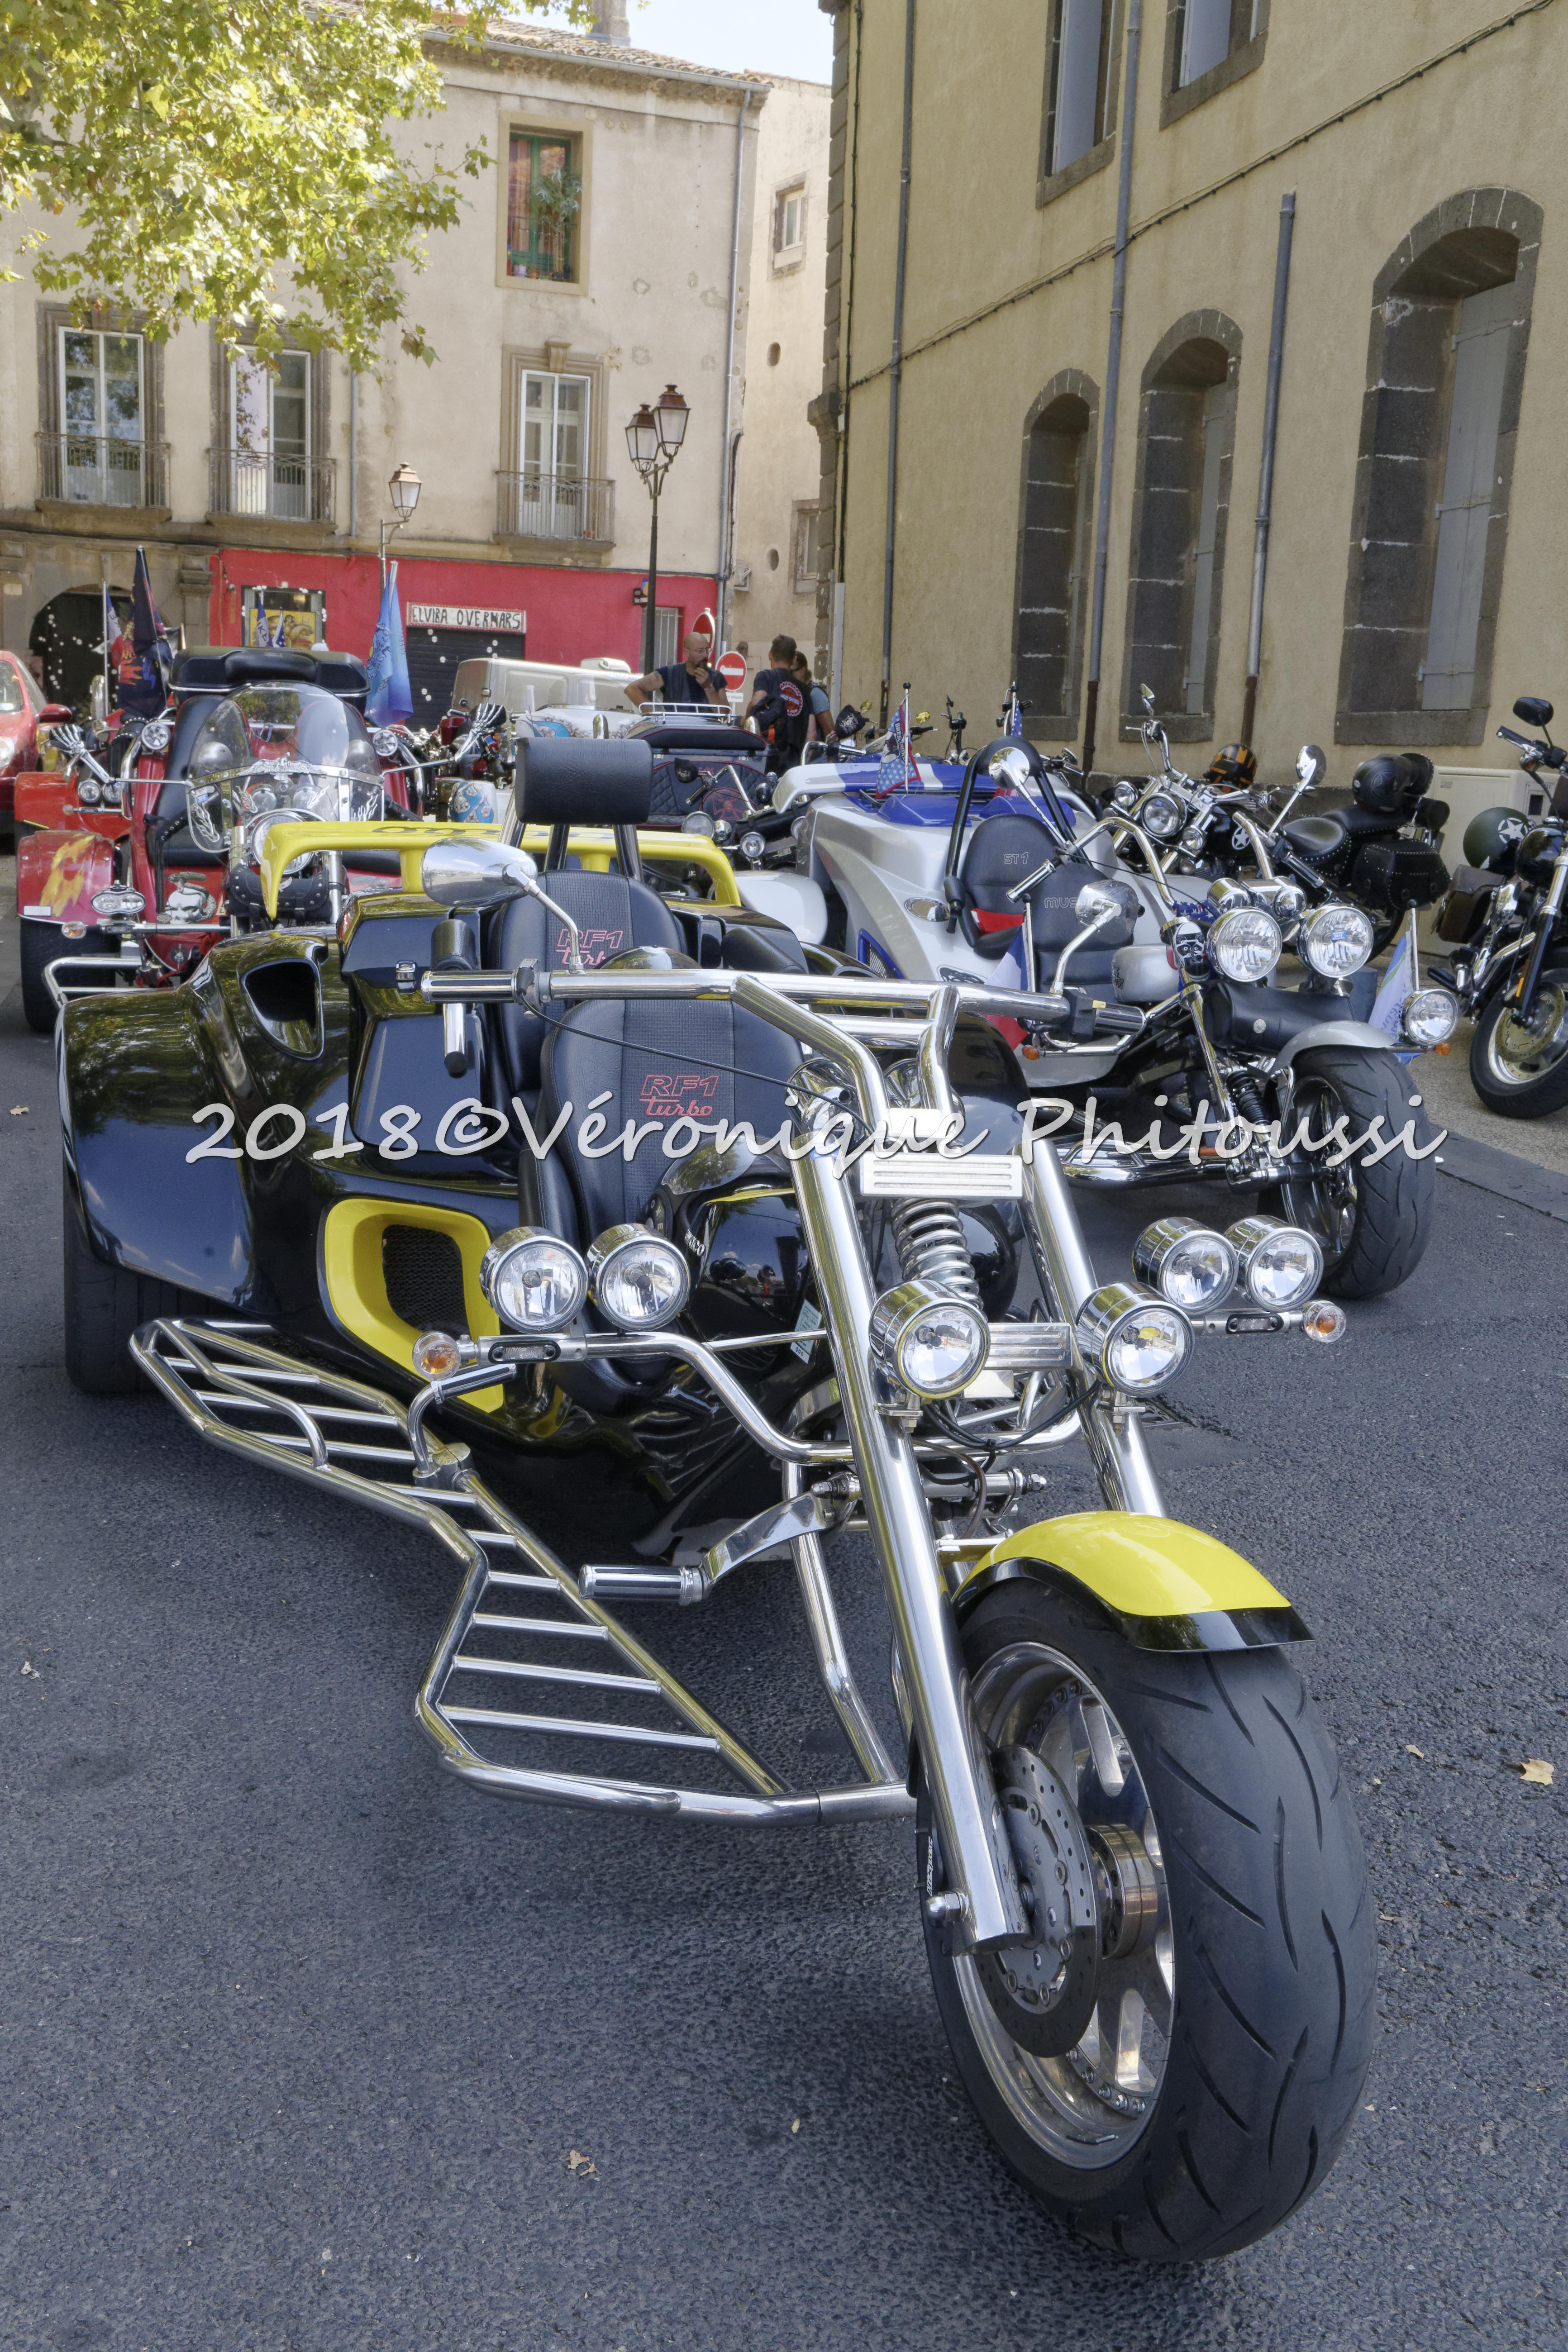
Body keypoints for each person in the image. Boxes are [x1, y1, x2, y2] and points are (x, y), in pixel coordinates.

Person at [631, 631, 724, 710]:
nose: (705, 655)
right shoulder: (669, 673)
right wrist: (654, 714)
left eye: (707, 650)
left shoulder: (717, 677)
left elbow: (724, 712)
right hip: (675, 726)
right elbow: (632, 689)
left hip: (707, 726)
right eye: (700, 651)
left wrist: (709, 687)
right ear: (687, 652)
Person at [793, 651, 831, 748]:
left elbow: (830, 731)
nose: (787, 676)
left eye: (792, 671)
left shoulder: (815, 693)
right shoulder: (793, 692)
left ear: (802, 671)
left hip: (815, 754)